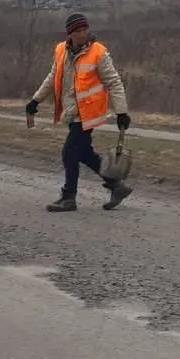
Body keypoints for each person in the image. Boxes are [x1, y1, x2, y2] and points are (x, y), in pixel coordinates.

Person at [26, 12, 133, 212]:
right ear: (70, 33)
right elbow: (53, 77)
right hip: (72, 111)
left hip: (89, 112)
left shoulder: (98, 53)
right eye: (78, 31)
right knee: (83, 153)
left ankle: (69, 197)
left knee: (69, 152)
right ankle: (116, 186)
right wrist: (35, 100)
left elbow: (114, 82)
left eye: (85, 29)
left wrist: (121, 112)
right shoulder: (61, 50)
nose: (83, 34)